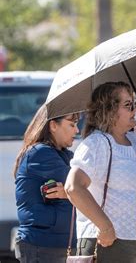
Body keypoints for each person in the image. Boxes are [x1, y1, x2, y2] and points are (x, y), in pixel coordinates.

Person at [65, 81, 136, 262]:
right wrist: (105, 227)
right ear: (109, 110)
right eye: (128, 105)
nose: (135, 109)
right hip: (108, 243)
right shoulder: (97, 143)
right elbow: (73, 187)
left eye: (135, 104)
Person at [13, 105, 79, 263]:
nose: (77, 130)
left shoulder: (64, 154)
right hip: (42, 246)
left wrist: (68, 192)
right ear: (53, 125)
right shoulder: (40, 153)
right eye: (72, 124)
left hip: (54, 244)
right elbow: (82, 184)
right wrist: (71, 192)